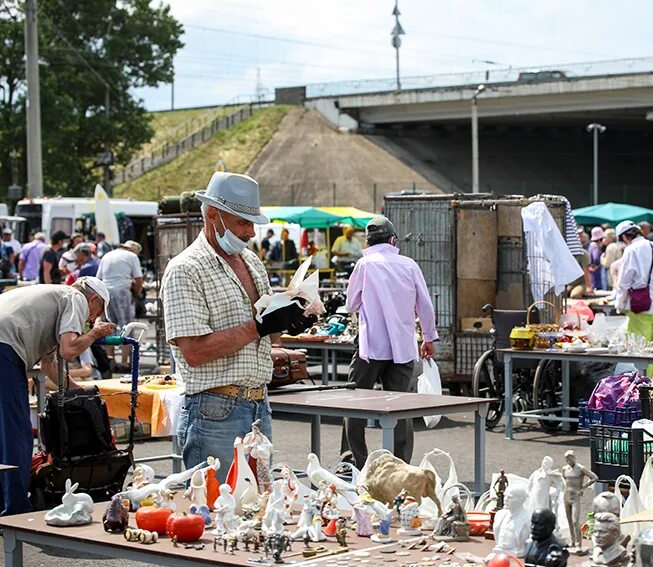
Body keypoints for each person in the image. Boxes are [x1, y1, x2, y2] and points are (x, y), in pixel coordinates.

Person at [163, 172, 316, 483]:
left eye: (252, 224)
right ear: (213, 216)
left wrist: (289, 321)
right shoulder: (185, 269)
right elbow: (193, 352)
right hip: (213, 409)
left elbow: (267, 332)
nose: (250, 232)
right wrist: (258, 328)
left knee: (257, 504)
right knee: (219, 507)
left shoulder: (250, 261)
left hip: (257, 403)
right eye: (242, 223)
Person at [0, 276, 116, 515]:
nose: (92, 319)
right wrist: (94, 334)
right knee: (15, 433)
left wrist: (81, 392)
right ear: (93, 299)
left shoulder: (53, 301)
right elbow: (69, 348)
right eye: (97, 312)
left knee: (3, 431)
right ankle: (15, 510)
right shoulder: (75, 297)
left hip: (5, 341)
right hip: (4, 346)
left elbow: (49, 365)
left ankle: (6, 503)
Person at [339, 216, 438, 468]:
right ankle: (399, 464)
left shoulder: (364, 265)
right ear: (393, 240)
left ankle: (354, 460)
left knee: (356, 401)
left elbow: (351, 303)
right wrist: (428, 337)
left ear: (369, 241)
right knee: (400, 405)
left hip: (370, 348)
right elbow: (425, 306)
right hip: (403, 347)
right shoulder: (409, 265)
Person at [614, 220, 653, 346]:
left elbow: (624, 282)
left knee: (640, 349)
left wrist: (620, 304)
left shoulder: (631, 250)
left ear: (624, 237)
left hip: (641, 306)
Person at [97, 240, 144, 372]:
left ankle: (110, 359)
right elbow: (139, 279)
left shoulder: (107, 256)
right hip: (122, 291)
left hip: (106, 291)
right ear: (133, 250)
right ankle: (124, 362)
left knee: (108, 326)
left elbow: (98, 277)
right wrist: (137, 293)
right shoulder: (132, 257)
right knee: (126, 326)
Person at [587, 227, 604, 291]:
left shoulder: (590, 245)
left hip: (591, 269)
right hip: (596, 270)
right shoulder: (595, 246)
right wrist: (598, 264)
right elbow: (596, 258)